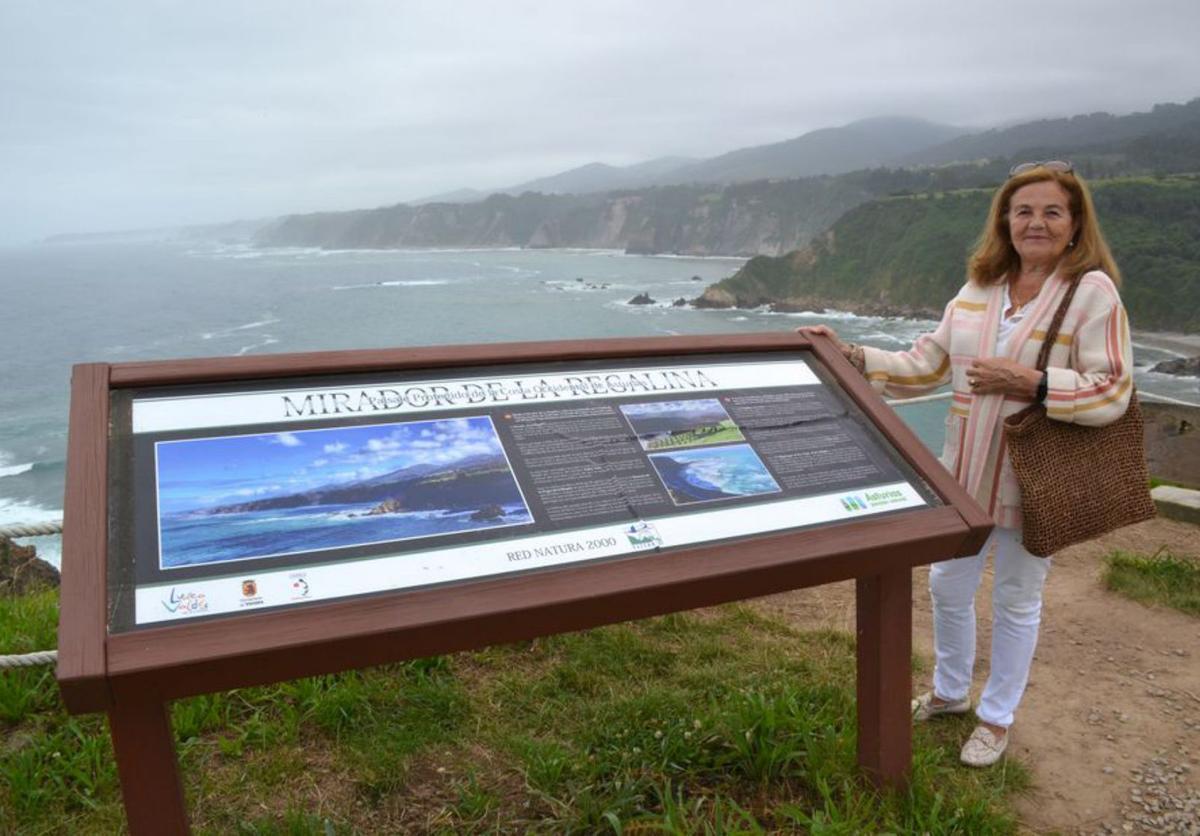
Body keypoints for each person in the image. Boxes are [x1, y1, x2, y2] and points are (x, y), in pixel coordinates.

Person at [800, 161, 1133, 767]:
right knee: (946, 585)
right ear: (1004, 220)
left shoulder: (1091, 292)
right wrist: (849, 354)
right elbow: (925, 365)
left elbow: (1112, 390)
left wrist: (1032, 383)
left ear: (1075, 222)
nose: (1036, 223)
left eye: (1052, 211)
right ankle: (950, 693)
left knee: (1017, 598)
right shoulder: (978, 290)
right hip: (963, 477)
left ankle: (997, 718)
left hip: (1036, 479)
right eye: (1023, 211)